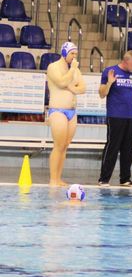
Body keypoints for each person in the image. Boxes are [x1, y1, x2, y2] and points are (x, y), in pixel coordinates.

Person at [98, 50, 132, 186]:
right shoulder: (110, 71)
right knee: (112, 147)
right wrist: (109, 83)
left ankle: (125, 178)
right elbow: (102, 94)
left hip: (130, 116)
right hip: (115, 115)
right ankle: (104, 178)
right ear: (127, 60)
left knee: (128, 148)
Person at [47, 42, 86, 186]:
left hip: (71, 112)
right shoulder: (53, 67)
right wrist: (72, 72)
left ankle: (58, 178)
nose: (74, 56)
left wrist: (72, 88)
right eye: (72, 53)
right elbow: (61, 82)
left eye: (76, 53)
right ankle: (53, 179)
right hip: (58, 111)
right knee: (58, 145)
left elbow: (83, 88)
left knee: (64, 146)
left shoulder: (75, 70)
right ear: (64, 53)